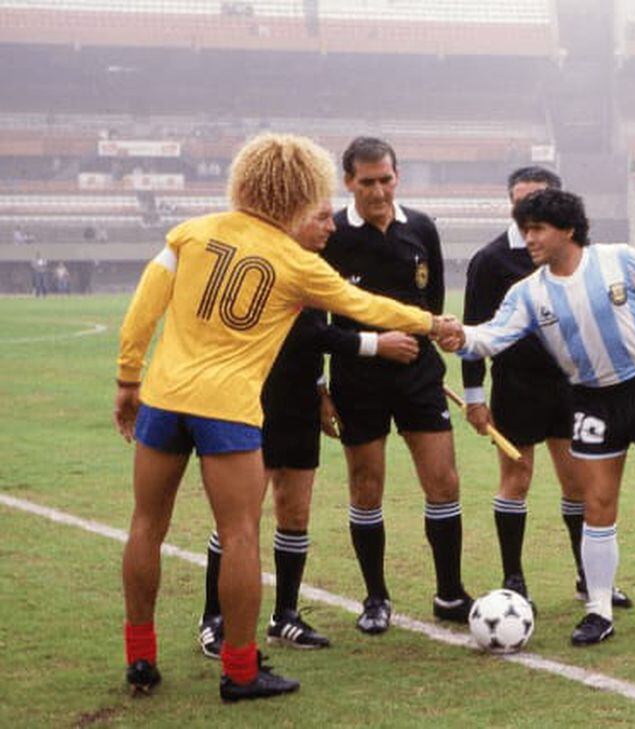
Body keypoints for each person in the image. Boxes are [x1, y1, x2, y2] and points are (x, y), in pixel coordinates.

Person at [114, 132, 462, 701]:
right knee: (242, 532)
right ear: (298, 191)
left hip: (164, 398)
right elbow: (370, 308)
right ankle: (241, 670)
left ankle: (140, 658)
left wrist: (130, 378)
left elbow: (143, 309)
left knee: (146, 525)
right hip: (227, 410)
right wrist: (432, 323)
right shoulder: (297, 263)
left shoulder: (190, 232)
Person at [450, 188, 635, 646]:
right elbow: (490, 337)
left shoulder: (618, 260)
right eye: (524, 229)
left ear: (567, 230)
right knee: (598, 507)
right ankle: (598, 610)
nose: (528, 238)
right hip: (590, 402)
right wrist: (455, 336)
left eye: (538, 229)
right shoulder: (527, 293)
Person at [197, 313, 420, 657]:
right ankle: (214, 618)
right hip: (254, 394)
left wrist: (320, 390)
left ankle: (285, 616)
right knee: (240, 515)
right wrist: (377, 343)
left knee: (295, 510)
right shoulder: (275, 267)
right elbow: (310, 332)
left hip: (300, 399)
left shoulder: (313, 273)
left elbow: (312, 335)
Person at [461, 166, 632, 608]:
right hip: (516, 387)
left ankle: (587, 576)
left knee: (578, 484)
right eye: (521, 201)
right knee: (516, 479)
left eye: (539, 199)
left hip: (572, 386)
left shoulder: (576, 254)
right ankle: (513, 577)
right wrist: (475, 398)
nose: (529, 210)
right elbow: (474, 333)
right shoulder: (490, 260)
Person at [320, 136, 471, 634]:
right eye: (368, 182)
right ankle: (375, 598)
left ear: (397, 176)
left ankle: (450, 592)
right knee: (367, 487)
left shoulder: (422, 227)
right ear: (349, 182)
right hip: (357, 377)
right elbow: (318, 322)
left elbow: (432, 303)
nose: (379, 191)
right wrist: (372, 344)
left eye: (387, 179)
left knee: (444, 481)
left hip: (419, 376)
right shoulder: (332, 234)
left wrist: (440, 333)